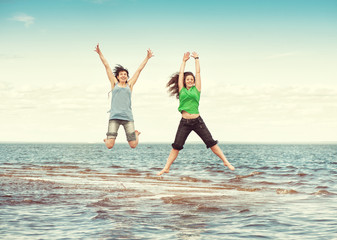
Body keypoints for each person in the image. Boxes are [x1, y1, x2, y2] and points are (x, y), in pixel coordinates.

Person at [157, 51, 235, 176]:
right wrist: (183, 61)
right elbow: (181, 73)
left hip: (197, 121)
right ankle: (166, 168)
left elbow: (198, 73)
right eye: (188, 79)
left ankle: (226, 162)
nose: (190, 80)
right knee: (176, 146)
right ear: (184, 81)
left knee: (211, 142)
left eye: (191, 79)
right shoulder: (182, 90)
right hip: (185, 122)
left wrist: (196, 59)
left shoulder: (197, 89)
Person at [95, 44, 154, 149]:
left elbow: (139, 70)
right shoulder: (114, 84)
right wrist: (100, 53)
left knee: (133, 145)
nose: (123, 75)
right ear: (117, 76)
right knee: (109, 145)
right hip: (114, 117)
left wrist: (147, 58)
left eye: (125, 74)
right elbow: (106, 66)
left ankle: (136, 134)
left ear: (127, 77)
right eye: (121, 74)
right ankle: (106, 140)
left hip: (128, 118)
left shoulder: (129, 85)